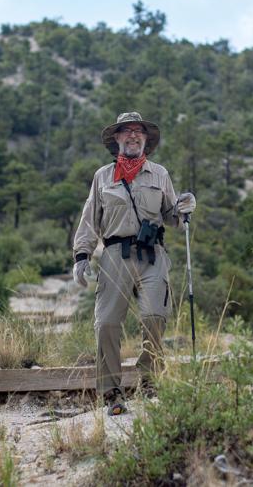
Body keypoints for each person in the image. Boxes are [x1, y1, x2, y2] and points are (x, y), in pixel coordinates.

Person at [72, 112, 196, 416]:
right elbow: (90, 218)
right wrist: (81, 256)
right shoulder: (102, 176)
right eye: (126, 131)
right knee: (107, 323)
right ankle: (111, 391)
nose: (132, 135)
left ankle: (149, 379)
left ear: (146, 139)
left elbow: (172, 216)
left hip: (152, 254)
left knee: (155, 315)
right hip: (115, 253)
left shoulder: (159, 174)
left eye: (138, 131)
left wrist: (184, 208)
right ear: (116, 139)